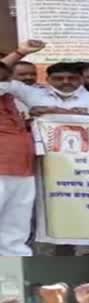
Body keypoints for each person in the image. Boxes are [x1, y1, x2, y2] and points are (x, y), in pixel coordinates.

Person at [0, 62, 35, 257]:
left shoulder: (14, 96)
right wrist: (20, 53)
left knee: (15, 232)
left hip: (22, 168)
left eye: (7, 75)